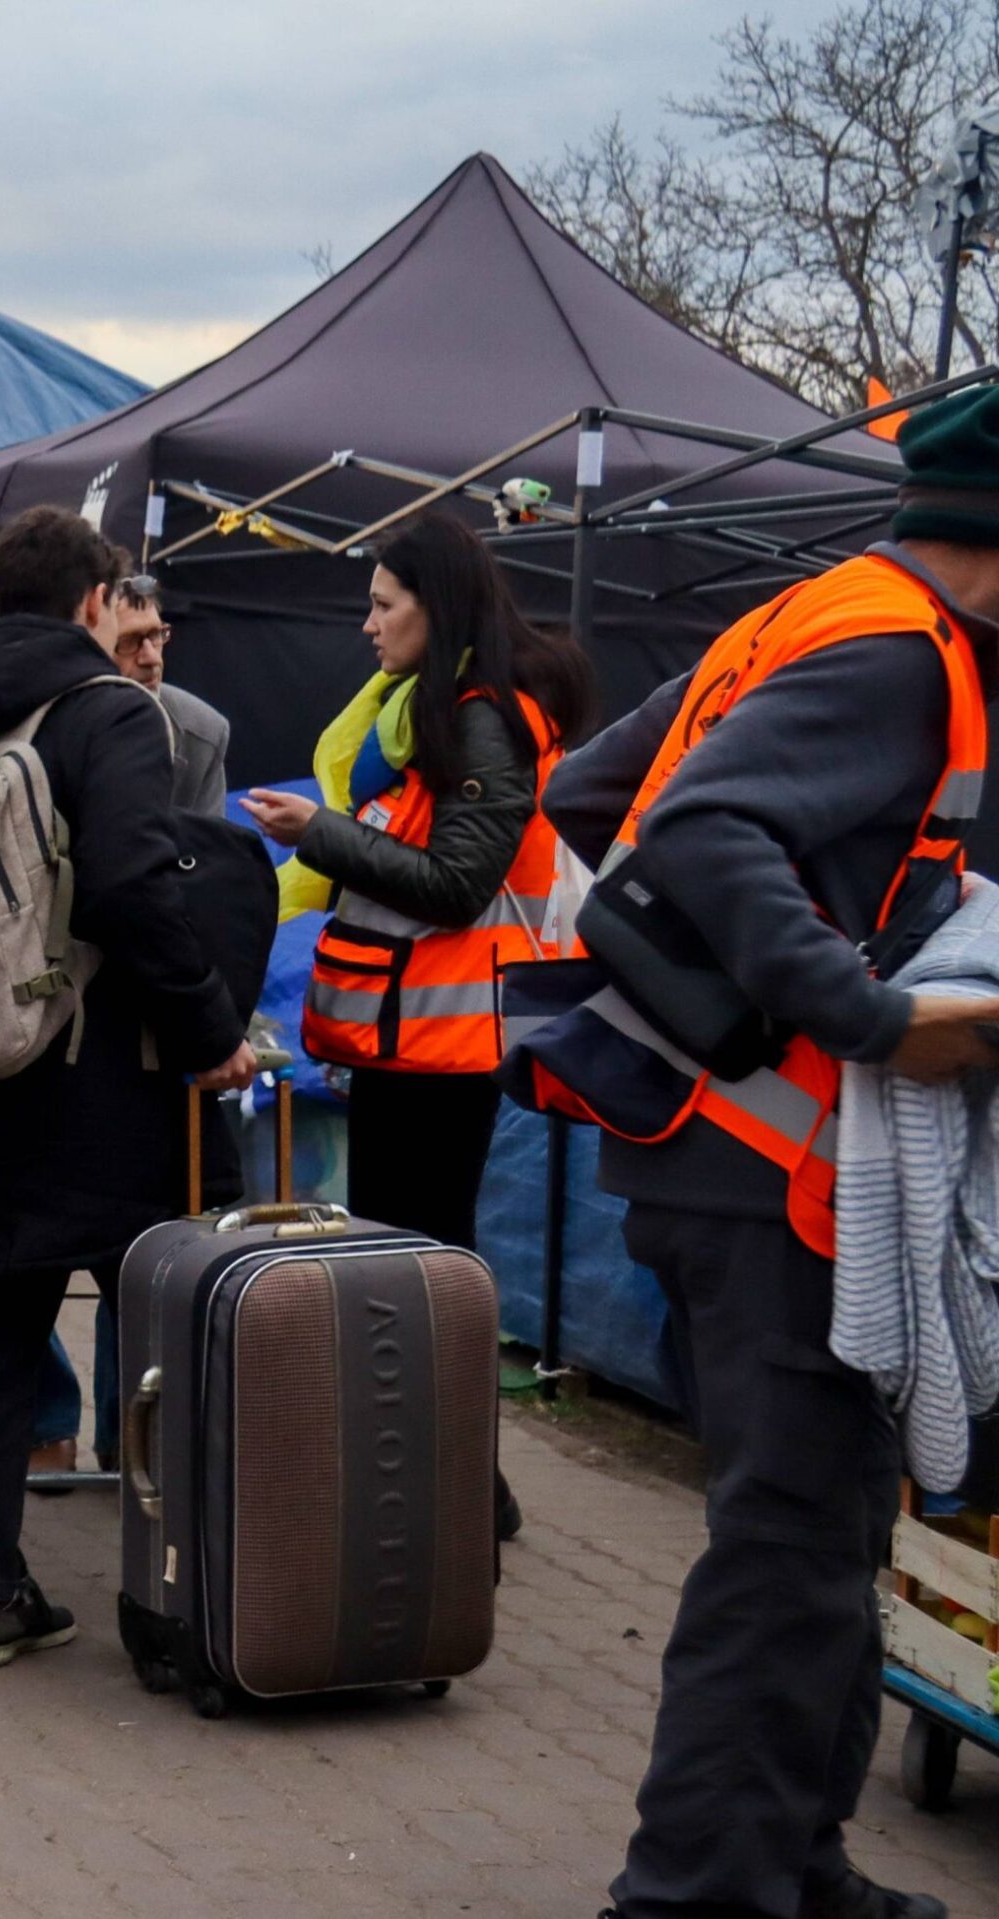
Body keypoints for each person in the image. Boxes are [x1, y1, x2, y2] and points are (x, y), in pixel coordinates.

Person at [541, 389, 999, 1919]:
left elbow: (590, 791)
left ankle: (796, 1867)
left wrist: (742, 979)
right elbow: (704, 829)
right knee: (787, 1549)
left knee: (821, 1537)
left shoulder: (814, 610)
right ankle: (695, 1893)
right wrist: (869, 1011)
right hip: (773, 1178)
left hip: (707, 1159)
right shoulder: (900, 657)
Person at [0, 505, 256, 1669]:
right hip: (102, 1085)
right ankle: (172, 1612)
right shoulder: (113, 715)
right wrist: (209, 1027)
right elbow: (131, 891)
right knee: (164, 1341)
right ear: (95, 602)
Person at [242, 512, 593, 1543]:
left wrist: (325, 832)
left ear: (433, 610)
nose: (367, 625)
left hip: (446, 1057)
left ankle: (454, 1494)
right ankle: (454, 1487)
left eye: (383, 604)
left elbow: (453, 884)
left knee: (426, 1270)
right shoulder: (434, 715)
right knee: (411, 1267)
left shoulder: (484, 720)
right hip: (407, 1051)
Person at [27, 563, 238, 1481]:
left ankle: (131, 1434)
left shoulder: (196, 732)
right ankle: (46, 1417)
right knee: (23, 1244)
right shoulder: (27, 720)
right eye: (132, 640)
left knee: (142, 1234)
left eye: (161, 638)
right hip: (35, 1000)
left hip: (136, 1007)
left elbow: (193, 885)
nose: (151, 655)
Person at [109, 568, 230, 816]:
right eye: (130, 641)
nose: (151, 658)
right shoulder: (60, 727)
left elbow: (205, 849)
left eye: (156, 635)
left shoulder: (203, 735)